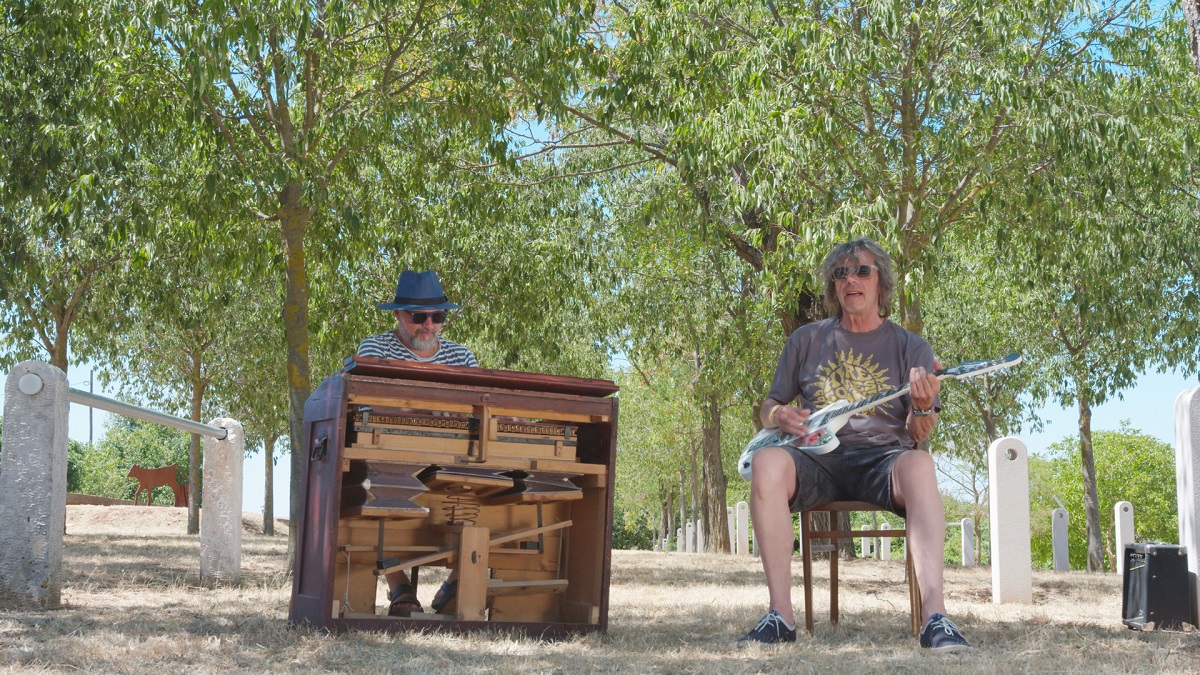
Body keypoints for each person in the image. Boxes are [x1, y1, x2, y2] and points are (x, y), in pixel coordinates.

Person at [737, 238, 970, 651]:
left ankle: (936, 619)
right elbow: (769, 405)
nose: (851, 280)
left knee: (920, 465)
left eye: (863, 270)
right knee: (769, 461)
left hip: (882, 459)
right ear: (833, 288)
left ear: (882, 282)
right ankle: (780, 617)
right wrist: (779, 416)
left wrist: (920, 407)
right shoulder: (806, 340)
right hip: (816, 459)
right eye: (841, 273)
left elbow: (919, 434)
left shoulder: (910, 346)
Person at [357, 269, 475, 616]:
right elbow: (369, 406)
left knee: (494, 481)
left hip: (454, 453)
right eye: (418, 316)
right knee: (379, 479)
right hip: (391, 450)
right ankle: (400, 588)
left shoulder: (462, 357)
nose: (428, 325)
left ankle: (458, 580)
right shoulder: (374, 347)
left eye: (437, 316)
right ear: (397, 315)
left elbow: (473, 411)